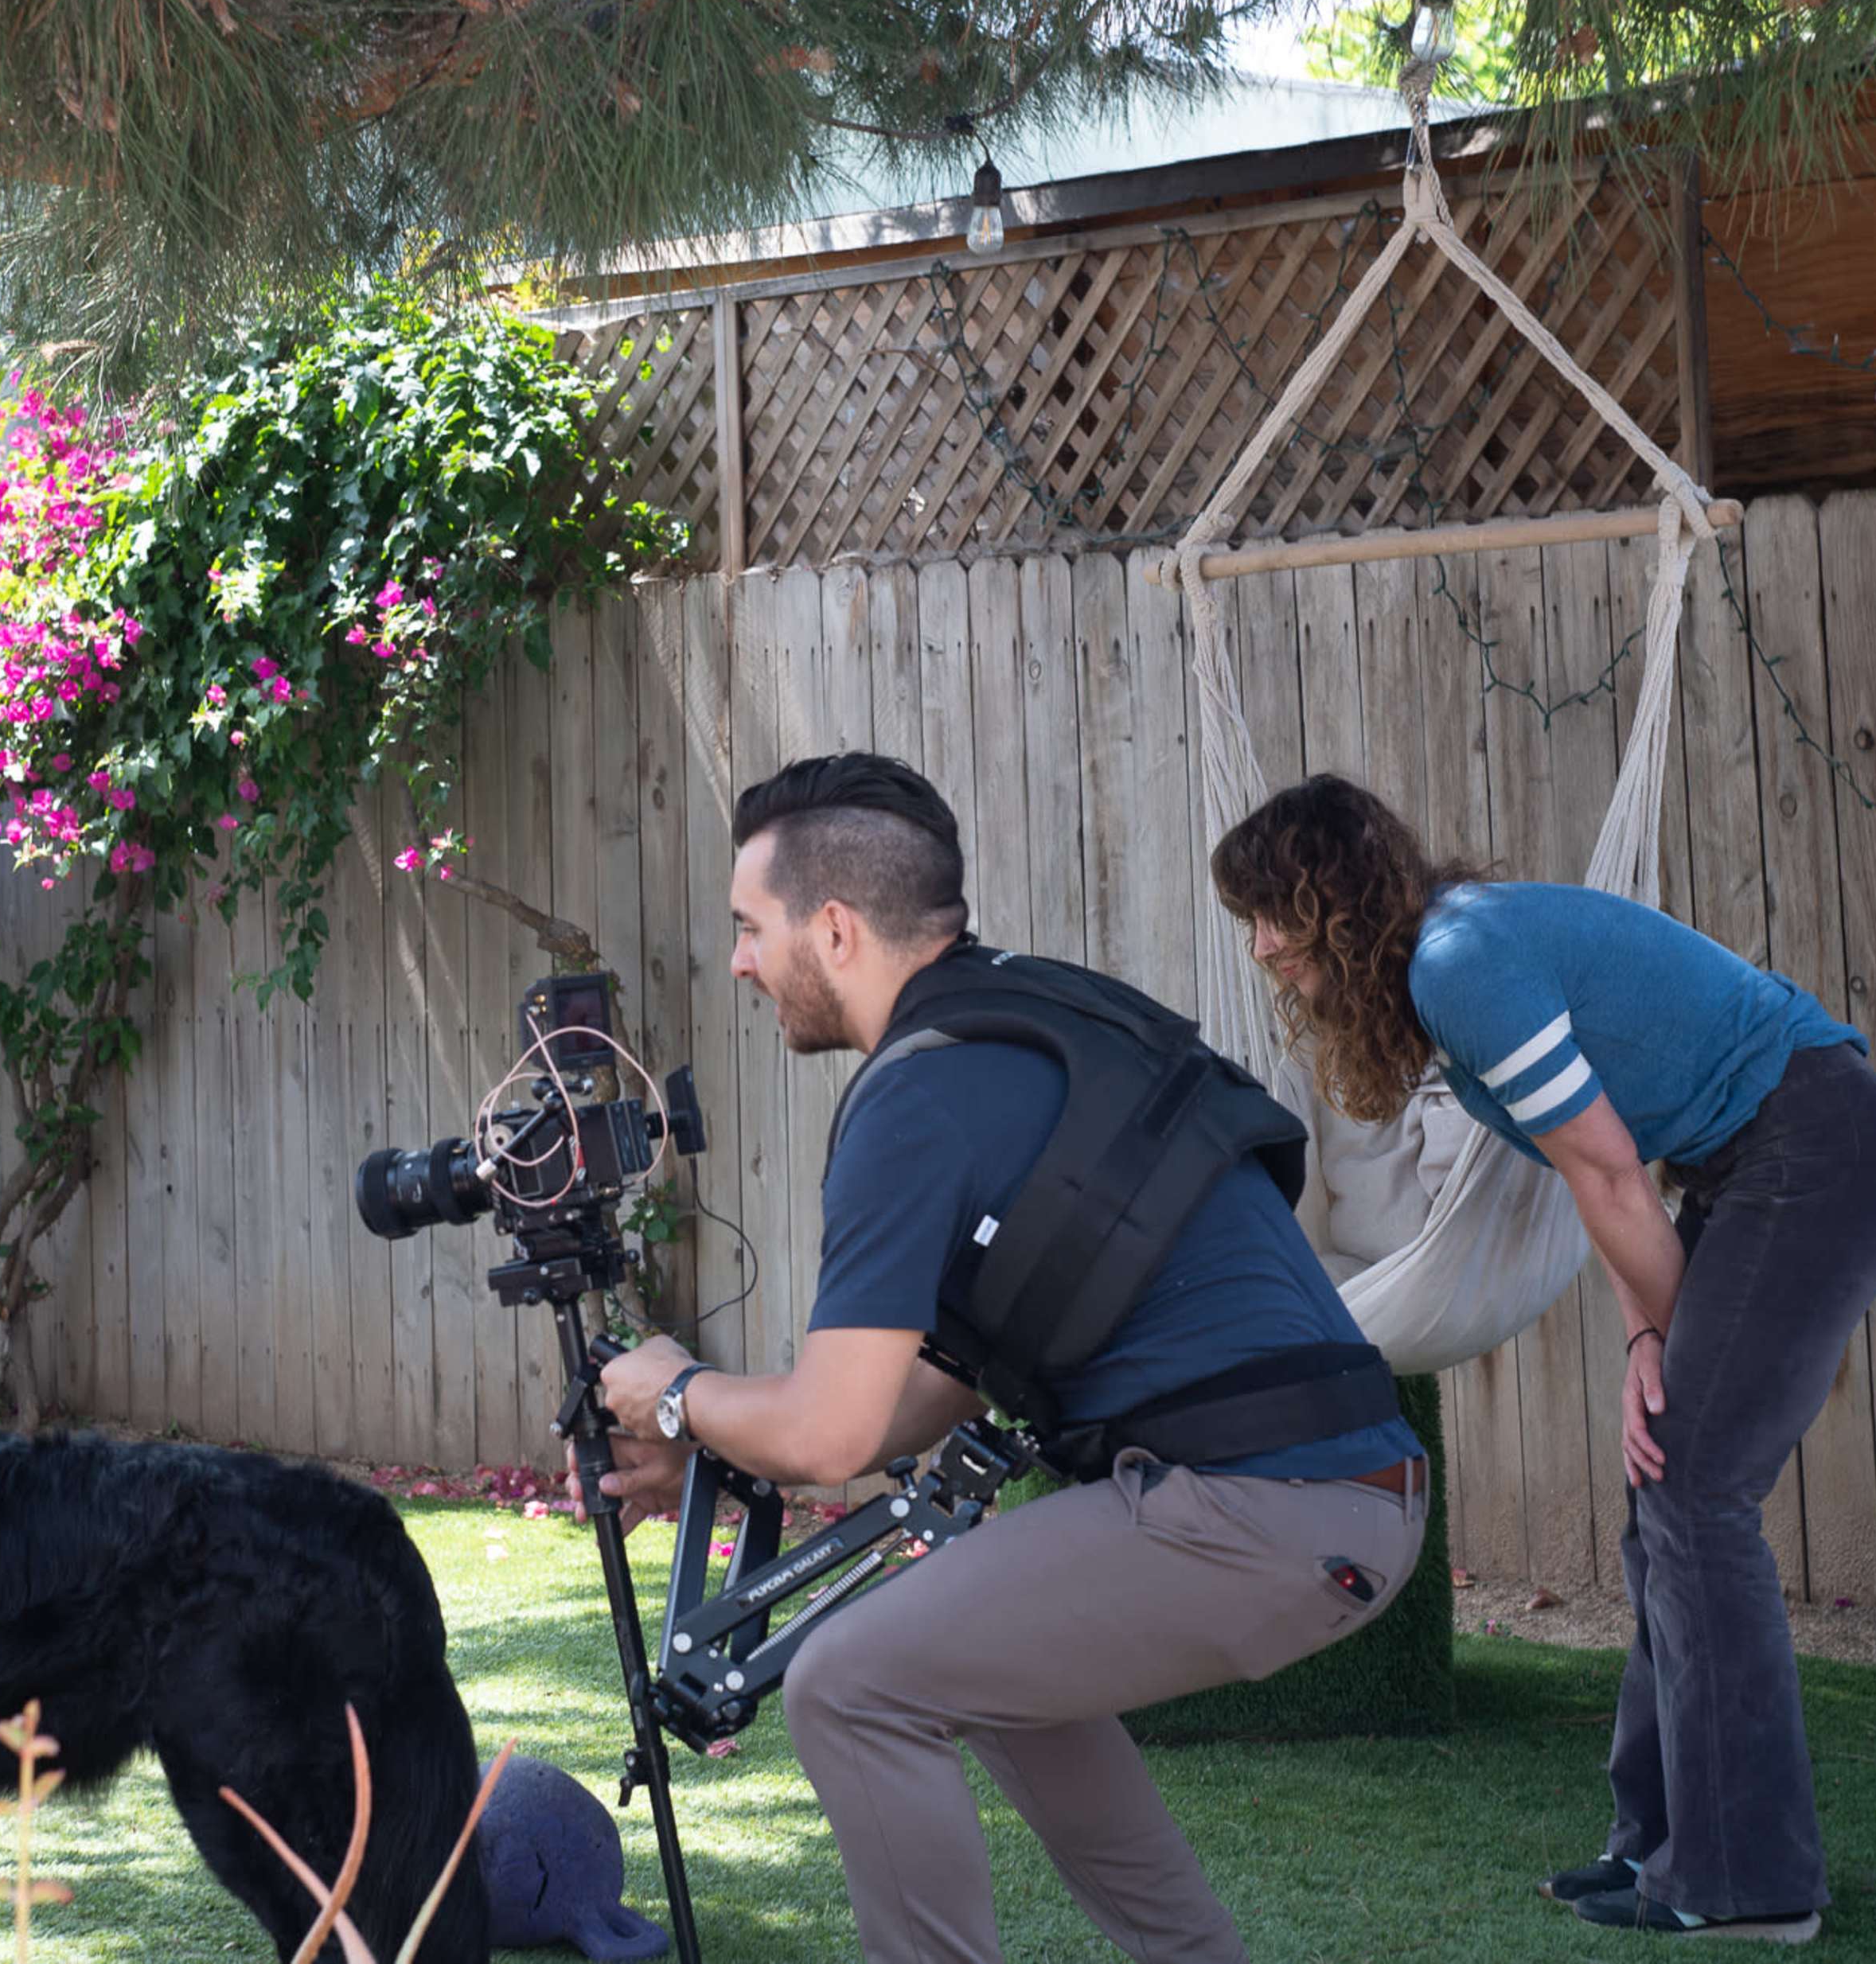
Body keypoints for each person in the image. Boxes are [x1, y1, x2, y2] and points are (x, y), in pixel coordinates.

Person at [591, 751, 1429, 1964]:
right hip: (1334, 1487)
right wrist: (714, 1431)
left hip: (1265, 1503)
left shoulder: (913, 1098)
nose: (738, 961)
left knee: (850, 1682)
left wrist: (671, 1388)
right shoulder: (1035, 1020)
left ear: (832, 927)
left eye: (747, 926)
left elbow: (829, 1431)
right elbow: (914, 1400)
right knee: (972, 1653)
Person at [1210, 773, 1876, 1946]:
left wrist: (1685, 1347)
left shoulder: (1459, 961)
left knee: (1696, 1488)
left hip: (1819, 1150)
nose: (1262, 947)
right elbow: (1598, 1172)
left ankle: (1753, 1883)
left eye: (1270, 913)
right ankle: (1659, 1847)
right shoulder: (1446, 972)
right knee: (1666, 1493)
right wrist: (1653, 1334)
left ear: (1328, 898)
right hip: (1748, 1170)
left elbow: (1608, 1175)